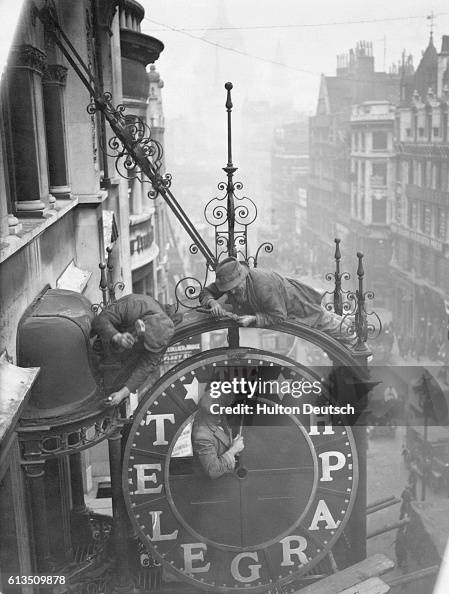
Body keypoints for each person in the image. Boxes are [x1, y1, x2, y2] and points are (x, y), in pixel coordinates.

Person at [199, 257, 354, 345]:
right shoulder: (233, 279)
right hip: (284, 301)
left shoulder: (263, 286)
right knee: (329, 320)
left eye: (234, 287)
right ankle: (351, 325)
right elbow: (205, 292)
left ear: (243, 278)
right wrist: (212, 302)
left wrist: (254, 319)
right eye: (227, 289)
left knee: (325, 322)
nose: (231, 291)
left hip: (298, 307)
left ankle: (357, 342)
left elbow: (278, 316)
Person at [91, 294, 175, 406]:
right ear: (142, 323)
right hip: (95, 338)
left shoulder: (162, 337)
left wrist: (122, 393)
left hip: (119, 357)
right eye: (141, 341)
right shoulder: (136, 305)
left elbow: (144, 368)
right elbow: (100, 320)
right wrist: (117, 337)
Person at [192, 388, 244, 480]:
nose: (222, 414)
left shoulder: (219, 421)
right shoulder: (202, 436)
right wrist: (233, 450)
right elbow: (213, 471)